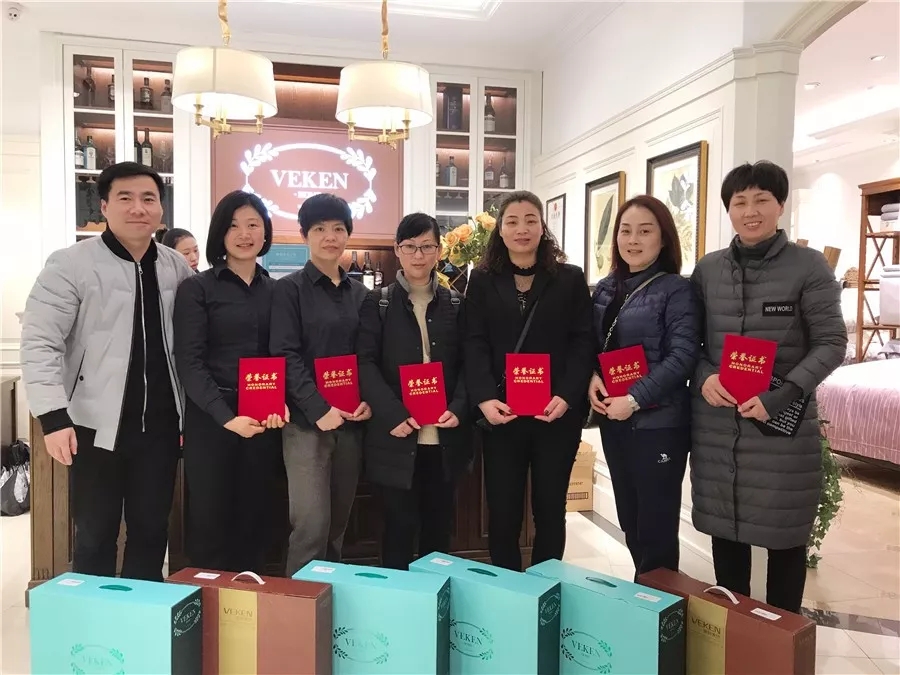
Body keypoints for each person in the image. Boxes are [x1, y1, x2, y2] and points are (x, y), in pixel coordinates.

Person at [20, 161, 194, 581]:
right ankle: (94, 615)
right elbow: (40, 342)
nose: (138, 208)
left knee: (151, 531)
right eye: (125, 198)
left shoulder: (176, 267)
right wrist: (53, 418)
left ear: (161, 209)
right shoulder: (70, 264)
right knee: (95, 534)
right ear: (104, 207)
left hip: (160, 428)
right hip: (93, 427)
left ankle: (142, 612)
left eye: (148, 199)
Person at [691, 160, 847, 613]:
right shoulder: (708, 269)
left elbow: (832, 343)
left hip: (781, 431)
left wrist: (780, 396)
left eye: (761, 200)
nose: (750, 211)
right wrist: (704, 376)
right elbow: (690, 342)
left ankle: (782, 639)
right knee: (726, 538)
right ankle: (737, 638)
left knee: (785, 541)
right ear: (728, 210)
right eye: (740, 202)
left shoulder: (808, 266)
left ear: (781, 205)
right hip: (718, 427)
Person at [465, 190, 594, 571]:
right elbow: (474, 341)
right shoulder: (482, 280)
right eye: (512, 221)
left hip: (555, 415)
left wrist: (567, 395)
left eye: (530, 220)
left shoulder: (569, 278)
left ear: (542, 227)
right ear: (500, 230)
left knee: (550, 510)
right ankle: (508, 588)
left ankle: (546, 586)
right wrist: (484, 398)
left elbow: (583, 341)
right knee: (503, 511)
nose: (521, 229)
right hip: (502, 413)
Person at [173, 190, 286, 574]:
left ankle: (251, 602)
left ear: (265, 232)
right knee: (210, 521)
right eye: (234, 225)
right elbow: (190, 362)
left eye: (253, 224)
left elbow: (283, 354)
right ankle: (208, 604)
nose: (244, 234)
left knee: (256, 521)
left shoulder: (277, 291)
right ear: (220, 233)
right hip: (213, 421)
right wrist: (226, 417)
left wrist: (282, 402)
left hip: (263, 422)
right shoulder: (197, 289)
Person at [588, 195, 700, 578]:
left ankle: (662, 606)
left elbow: (683, 356)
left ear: (663, 238)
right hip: (614, 421)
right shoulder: (605, 288)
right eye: (625, 230)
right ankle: (643, 597)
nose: (633, 240)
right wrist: (592, 378)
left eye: (645, 231)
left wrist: (634, 399)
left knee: (656, 527)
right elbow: (590, 345)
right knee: (630, 519)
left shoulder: (676, 290)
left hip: (659, 425)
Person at [357, 213, 472, 569]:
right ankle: (399, 601)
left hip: (444, 437)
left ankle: (435, 598)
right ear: (397, 250)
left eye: (426, 246)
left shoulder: (456, 304)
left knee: (438, 531)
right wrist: (392, 414)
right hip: (396, 436)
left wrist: (460, 406)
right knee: (397, 529)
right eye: (409, 247)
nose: (418, 255)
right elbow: (365, 364)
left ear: (439, 251)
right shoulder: (377, 303)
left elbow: (470, 364)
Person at [269, 193, 372, 576]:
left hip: (351, 423)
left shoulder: (361, 295)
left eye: (338, 228)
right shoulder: (288, 290)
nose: (330, 237)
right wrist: (318, 408)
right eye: (319, 229)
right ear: (304, 235)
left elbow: (367, 357)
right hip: (306, 425)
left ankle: (330, 598)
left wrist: (368, 401)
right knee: (311, 527)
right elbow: (284, 354)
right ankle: (300, 604)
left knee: (337, 527)